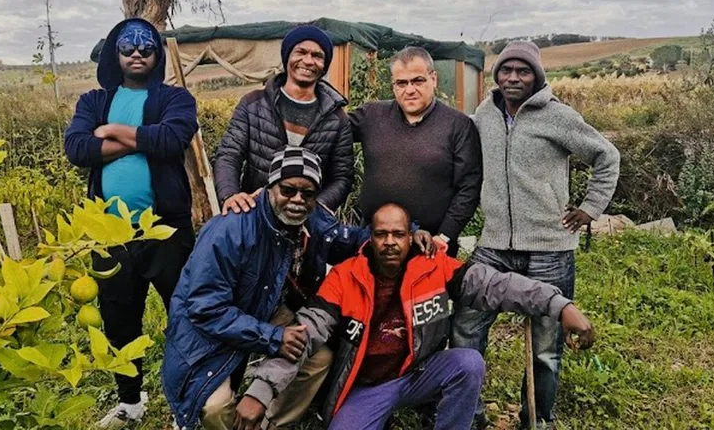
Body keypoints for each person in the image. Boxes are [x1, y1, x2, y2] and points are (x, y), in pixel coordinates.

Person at [234, 203, 595, 430]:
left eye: (398, 234)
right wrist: (261, 391)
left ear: (411, 237)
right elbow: (305, 332)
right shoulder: (344, 277)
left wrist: (561, 306)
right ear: (370, 238)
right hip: (367, 386)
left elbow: (496, 285)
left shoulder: (434, 266)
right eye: (381, 234)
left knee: (467, 362)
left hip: (418, 373)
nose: (390, 242)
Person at [163, 147, 434, 430]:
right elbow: (205, 308)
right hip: (210, 327)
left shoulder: (312, 219)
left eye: (307, 193)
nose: (297, 200)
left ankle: (271, 424)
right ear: (271, 187)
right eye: (288, 190)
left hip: (267, 307)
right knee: (215, 406)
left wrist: (409, 233)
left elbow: (352, 240)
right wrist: (273, 337)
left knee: (318, 357)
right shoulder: (230, 229)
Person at [451, 41, 620, 429]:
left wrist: (590, 207)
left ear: (537, 76)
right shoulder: (484, 115)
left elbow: (607, 156)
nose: (513, 78)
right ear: (496, 75)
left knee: (546, 347)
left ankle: (536, 420)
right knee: (465, 327)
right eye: (506, 70)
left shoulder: (558, 116)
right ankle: (468, 415)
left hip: (549, 248)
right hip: (494, 244)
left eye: (523, 71)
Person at [64, 18, 198, 429]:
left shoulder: (175, 98)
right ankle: (130, 401)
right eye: (127, 46)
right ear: (114, 53)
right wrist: (140, 139)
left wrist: (111, 132)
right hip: (109, 235)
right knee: (119, 319)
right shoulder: (94, 101)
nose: (137, 52)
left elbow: (172, 140)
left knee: (184, 316)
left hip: (166, 230)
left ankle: (186, 403)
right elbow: (77, 148)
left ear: (157, 53)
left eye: (145, 46)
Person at [349, 46, 482, 256]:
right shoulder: (371, 116)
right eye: (402, 83)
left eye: (418, 81)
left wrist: (445, 235)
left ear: (433, 79)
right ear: (393, 85)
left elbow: (469, 186)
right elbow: (332, 129)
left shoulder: (458, 126)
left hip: (430, 248)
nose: (409, 90)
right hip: (375, 242)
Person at [214, 25, 353, 216]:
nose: (308, 61)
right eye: (300, 52)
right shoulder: (253, 104)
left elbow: (342, 176)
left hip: (305, 219)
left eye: (317, 56)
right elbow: (229, 154)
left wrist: (317, 207)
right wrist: (230, 194)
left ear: (325, 65)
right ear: (287, 56)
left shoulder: (336, 119)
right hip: (256, 213)